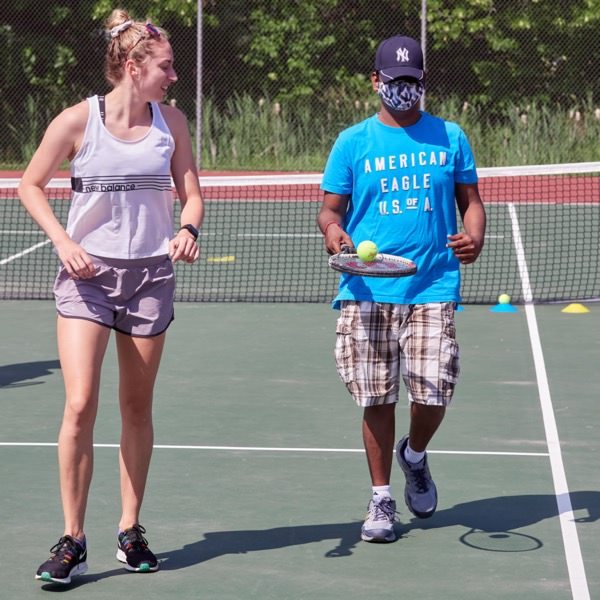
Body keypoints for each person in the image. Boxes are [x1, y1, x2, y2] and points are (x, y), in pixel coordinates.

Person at [18, 8, 204, 584]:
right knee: (79, 404)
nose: (174, 76)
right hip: (88, 280)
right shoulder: (78, 121)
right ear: (133, 66)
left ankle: (130, 530)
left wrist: (188, 230)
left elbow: (192, 194)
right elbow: (29, 184)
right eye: (167, 67)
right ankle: (72, 539)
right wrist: (63, 241)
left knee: (135, 408)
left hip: (150, 279)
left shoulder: (171, 122)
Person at [317, 35, 486, 543]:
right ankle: (381, 499)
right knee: (376, 396)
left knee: (434, 390)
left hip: (433, 283)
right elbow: (329, 209)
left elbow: (471, 201)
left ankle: (413, 453)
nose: (404, 91)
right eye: (395, 82)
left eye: (413, 82)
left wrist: (474, 233)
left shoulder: (450, 137)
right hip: (367, 289)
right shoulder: (353, 143)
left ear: (423, 83)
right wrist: (334, 232)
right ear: (376, 82)